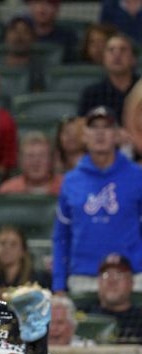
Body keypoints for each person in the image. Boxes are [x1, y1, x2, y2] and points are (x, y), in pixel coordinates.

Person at [53, 106, 142, 295]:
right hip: (84, 278)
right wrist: (59, 285)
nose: (100, 133)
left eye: (107, 127)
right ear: (84, 136)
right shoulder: (71, 181)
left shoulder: (137, 177)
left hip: (132, 277)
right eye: (93, 127)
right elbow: (61, 237)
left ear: (117, 135)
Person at [0, 226, 50, 305]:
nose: (7, 248)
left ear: (23, 251)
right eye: (2, 243)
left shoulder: (38, 280)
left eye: (13, 244)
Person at [78, 34, 139, 124]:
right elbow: (82, 128)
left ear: (133, 59)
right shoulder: (91, 94)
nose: (117, 55)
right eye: (111, 50)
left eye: (123, 50)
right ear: (103, 59)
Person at [84, 253, 142, 344]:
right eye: (106, 275)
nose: (112, 281)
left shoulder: (139, 319)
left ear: (131, 282)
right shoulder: (85, 316)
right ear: (99, 282)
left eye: (119, 275)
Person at [0, 131, 63, 195]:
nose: (36, 161)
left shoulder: (67, 187)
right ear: (21, 161)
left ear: (51, 159)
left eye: (42, 156)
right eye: (30, 156)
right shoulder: (8, 190)